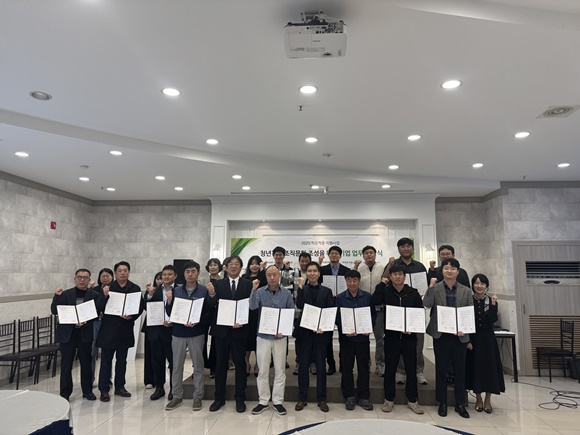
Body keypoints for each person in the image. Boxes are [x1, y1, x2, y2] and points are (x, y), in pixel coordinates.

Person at [423, 258, 473, 419]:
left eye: (452, 269)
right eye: (446, 268)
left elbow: (469, 313)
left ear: (458, 271)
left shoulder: (466, 290)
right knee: (441, 369)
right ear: (442, 271)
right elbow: (427, 303)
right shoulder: (436, 287)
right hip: (441, 335)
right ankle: (442, 402)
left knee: (460, 370)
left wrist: (465, 330)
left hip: (459, 336)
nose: (449, 271)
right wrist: (430, 287)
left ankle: (460, 403)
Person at [372, 265, 424, 414]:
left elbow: (419, 312)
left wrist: (412, 327)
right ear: (390, 276)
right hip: (392, 337)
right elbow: (374, 301)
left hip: (409, 337)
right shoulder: (386, 291)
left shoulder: (413, 293)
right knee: (390, 368)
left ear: (404, 276)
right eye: (394, 274)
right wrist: (381, 284)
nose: (397, 277)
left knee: (411, 369)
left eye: (400, 274)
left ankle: (413, 400)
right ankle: (389, 399)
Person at [206, 256, 253, 413]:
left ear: (241, 267)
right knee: (220, 365)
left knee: (240, 365)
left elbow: (251, 308)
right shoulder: (218, 284)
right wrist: (211, 294)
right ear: (225, 267)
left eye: (236, 264)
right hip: (221, 331)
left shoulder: (248, 284)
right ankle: (219, 398)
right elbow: (211, 305)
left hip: (240, 330)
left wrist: (242, 320)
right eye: (230, 264)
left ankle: (240, 398)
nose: (233, 267)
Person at [165, 261, 212, 411]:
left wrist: (198, 322)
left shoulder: (203, 290)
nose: (190, 274)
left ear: (198, 273)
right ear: (183, 274)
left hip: (196, 332)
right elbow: (170, 312)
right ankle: (177, 396)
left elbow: (208, 312)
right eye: (187, 272)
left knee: (198, 366)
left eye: (193, 271)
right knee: (176, 366)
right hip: (178, 333)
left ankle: (197, 396)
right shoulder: (176, 291)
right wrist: (169, 301)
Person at [249, 265, 295, 416]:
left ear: (279, 275)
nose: (272, 277)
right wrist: (253, 289)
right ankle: (263, 401)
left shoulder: (286, 293)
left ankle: (277, 401)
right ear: (266, 277)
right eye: (269, 275)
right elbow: (252, 306)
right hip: (263, 336)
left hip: (280, 337)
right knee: (262, 370)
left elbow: (290, 312)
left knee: (280, 370)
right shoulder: (260, 291)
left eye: (275, 274)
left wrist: (285, 330)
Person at [96, 261, 144, 402]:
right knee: (106, 362)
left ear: (129, 272)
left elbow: (140, 307)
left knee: (122, 361)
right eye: (120, 270)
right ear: (115, 273)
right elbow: (98, 307)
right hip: (109, 330)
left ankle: (120, 387)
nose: (123, 273)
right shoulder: (108, 288)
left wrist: (132, 316)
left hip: (125, 329)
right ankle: (104, 389)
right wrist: (104, 295)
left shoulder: (134, 288)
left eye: (125, 270)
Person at [384, 237, 428, 385]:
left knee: (417, 343)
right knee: (398, 344)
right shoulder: (393, 265)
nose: (406, 248)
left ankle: (418, 371)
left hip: (414, 308)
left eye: (409, 246)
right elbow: (384, 281)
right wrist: (390, 266)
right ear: (398, 249)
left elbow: (426, 286)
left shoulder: (420, 266)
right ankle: (401, 371)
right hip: (396, 311)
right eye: (403, 246)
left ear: (413, 248)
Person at [51, 269, 100, 401]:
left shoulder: (94, 295)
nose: (82, 280)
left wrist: (87, 319)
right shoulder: (65, 294)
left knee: (86, 363)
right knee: (66, 364)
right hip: (68, 334)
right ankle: (65, 393)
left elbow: (97, 312)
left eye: (85, 277)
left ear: (89, 280)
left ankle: (87, 391)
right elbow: (55, 311)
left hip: (85, 333)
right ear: (74, 279)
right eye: (79, 277)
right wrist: (56, 297)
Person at [294, 261, 334, 412]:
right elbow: (300, 305)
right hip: (305, 334)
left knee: (321, 367)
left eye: (314, 271)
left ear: (319, 273)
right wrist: (299, 287)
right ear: (306, 273)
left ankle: (321, 399)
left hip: (320, 334)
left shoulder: (327, 291)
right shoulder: (303, 289)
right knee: (303, 366)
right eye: (309, 271)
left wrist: (324, 327)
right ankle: (302, 398)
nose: (312, 273)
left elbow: (330, 311)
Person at [336, 269, 376, 411]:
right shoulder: (340, 298)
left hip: (362, 339)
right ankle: (349, 396)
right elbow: (337, 318)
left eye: (355, 280)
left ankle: (363, 396)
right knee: (347, 368)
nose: (352, 283)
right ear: (346, 282)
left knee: (364, 368)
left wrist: (369, 328)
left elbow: (373, 316)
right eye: (349, 281)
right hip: (346, 339)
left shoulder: (367, 297)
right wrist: (344, 329)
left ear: (359, 281)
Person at [465, 274, 505, 414]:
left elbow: (492, 320)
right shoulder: (469, 300)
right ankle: (478, 398)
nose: (479, 286)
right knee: (476, 368)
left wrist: (493, 305)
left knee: (490, 368)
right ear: (472, 285)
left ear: (486, 286)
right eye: (476, 283)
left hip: (488, 339)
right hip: (474, 338)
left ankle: (488, 399)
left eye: (482, 284)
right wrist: (468, 340)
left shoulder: (490, 301)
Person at [144, 265, 176, 401]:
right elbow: (145, 306)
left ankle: (174, 388)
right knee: (157, 360)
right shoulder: (154, 290)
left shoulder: (179, 290)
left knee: (173, 361)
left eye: (170, 274)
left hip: (172, 331)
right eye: (164, 274)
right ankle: (159, 387)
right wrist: (150, 295)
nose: (166, 277)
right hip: (155, 330)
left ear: (175, 276)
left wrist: (170, 301)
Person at [354, 245, 385, 376]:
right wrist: (355, 267)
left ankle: (380, 364)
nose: (369, 255)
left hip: (378, 308)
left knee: (380, 338)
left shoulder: (382, 268)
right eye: (366, 253)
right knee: (363, 338)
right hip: (363, 308)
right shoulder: (359, 269)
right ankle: (366, 363)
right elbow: (352, 282)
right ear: (363, 255)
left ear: (375, 254)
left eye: (371, 252)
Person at [319, 245, 350, 375]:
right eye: (332, 253)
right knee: (327, 337)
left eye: (336, 253)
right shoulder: (322, 270)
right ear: (329, 255)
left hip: (343, 304)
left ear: (340, 256)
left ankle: (343, 364)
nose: (334, 255)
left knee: (344, 336)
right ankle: (331, 364)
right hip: (327, 305)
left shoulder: (346, 270)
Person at [242, 255, 267, 377]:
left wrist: (262, 271)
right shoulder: (244, 277)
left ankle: (258, 364)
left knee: (258, 339)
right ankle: (247, 363)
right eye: (252, 263)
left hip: (260, 311)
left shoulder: (263, 277)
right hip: (247, 311)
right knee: (247, 338)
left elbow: (265, 287)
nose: (254, 266)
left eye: (257, 263)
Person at [90, 267, 114, 386]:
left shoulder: (115, 290)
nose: (105, 278)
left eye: (107, 276)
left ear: (112, 277)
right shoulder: (94, 290)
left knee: (107, 353)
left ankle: (107, 378)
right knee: (92, 351)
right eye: (103, 276)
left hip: (109, 323)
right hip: (95, 322)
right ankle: (90, 378)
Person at [293, 251, 312, 376]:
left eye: (306, 261)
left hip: (311, 312)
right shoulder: (294, 273)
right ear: (299, 262)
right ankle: (299, 362)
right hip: (297, 311)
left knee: (312, 339)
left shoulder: (313, 273)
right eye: (302, 261)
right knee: (299, 338)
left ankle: (312, 362)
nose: (304, 263)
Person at [204, 258, 222, 378]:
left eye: (215, 265)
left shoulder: (223, 281)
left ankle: (214, 368)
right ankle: (200, 366)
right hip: (204, 313)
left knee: (216, 341)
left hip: (218, 313)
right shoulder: (202, 280)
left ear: (219, 267)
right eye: (211, 265)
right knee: (202, 341)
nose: (213, 267)